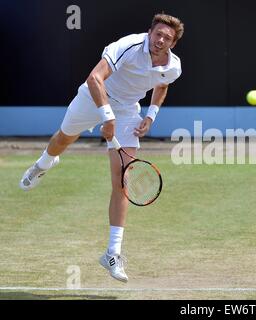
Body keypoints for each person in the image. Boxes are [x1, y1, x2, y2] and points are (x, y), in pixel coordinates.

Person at [19, 13, 184, 283]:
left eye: (167, 37)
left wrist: (151, 115)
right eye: (158, 34)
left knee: (122, 179)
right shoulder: (129, 46)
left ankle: (112, 253)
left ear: (172, 44)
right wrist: (107, 117)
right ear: (149, 33)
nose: (161, 39)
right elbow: (95, 78)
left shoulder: (173, 66)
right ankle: (44, 163)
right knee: (63, 139)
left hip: (129, 110)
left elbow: (162, 84)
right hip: (94, 96)